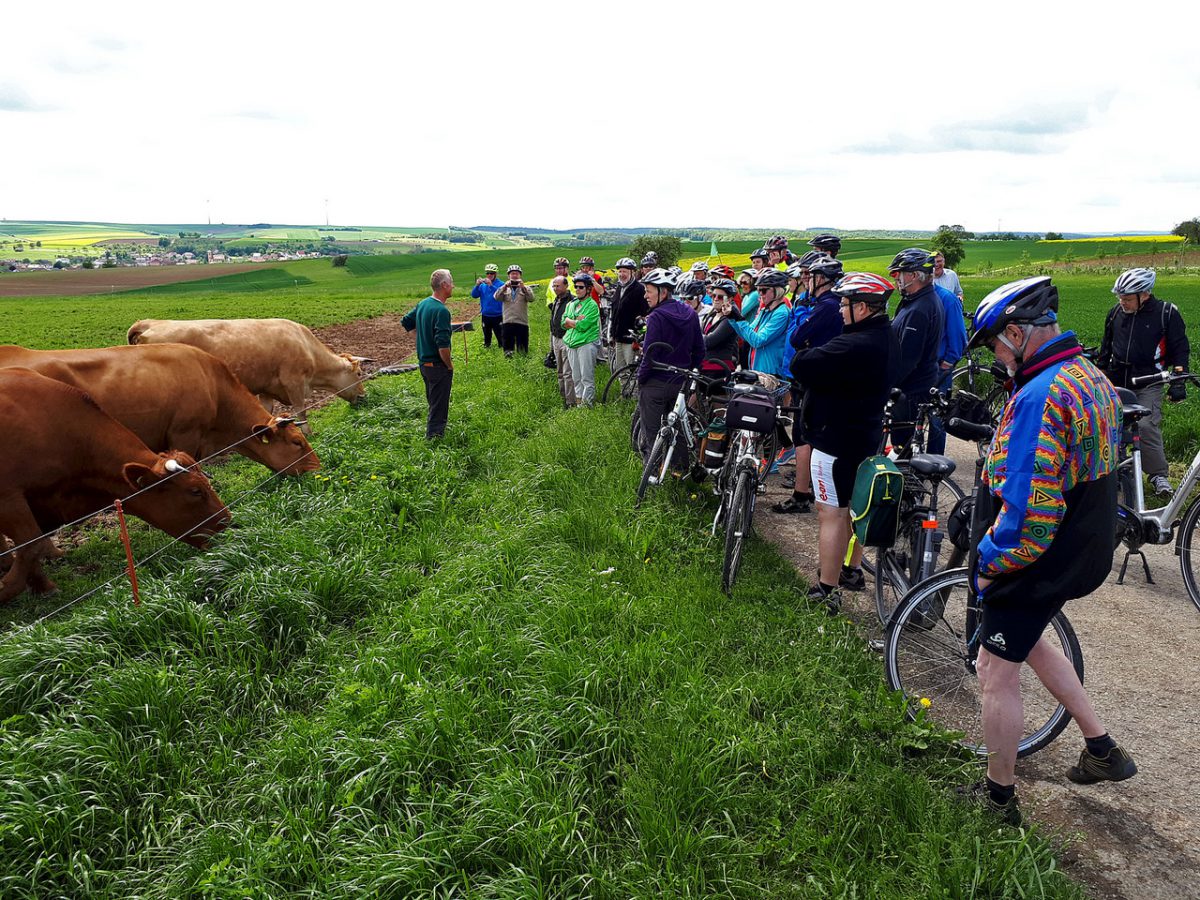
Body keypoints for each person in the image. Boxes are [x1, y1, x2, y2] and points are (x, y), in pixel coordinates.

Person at [963, 275, 1135, 826]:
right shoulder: (1090, 376)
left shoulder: (1039, 395)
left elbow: (1031, 518)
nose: (996, 356)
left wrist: (988, 565)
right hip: (1085, 544)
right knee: (1030, 638)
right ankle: (1102, 748)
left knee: (994, 668)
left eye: (994, 344)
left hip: (1040, 555)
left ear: (1016, 332)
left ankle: (999, 800)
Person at [789, 273, 899, 612]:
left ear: (863, 308)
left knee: (831, 514)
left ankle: (826, 588)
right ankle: (851, 571)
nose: (839, 309)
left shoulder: (851, 345)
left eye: (845, 303)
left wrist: (814, 352)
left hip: (834, 442)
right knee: (853, 509)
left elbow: (800, 363)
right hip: (865, 436)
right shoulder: (887, 337)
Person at [1097, 267, 1190, 496]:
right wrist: (1099, 373)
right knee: (1112, 425)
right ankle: (1117, 470)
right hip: (1117, 380)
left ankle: (1158, 475)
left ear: (1145, 294)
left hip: (1149, 380)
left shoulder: (1166, 313)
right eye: (1120, 297)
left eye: (1127, 298)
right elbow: (1106, 347)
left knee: (1147, 426)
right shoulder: (1115, 313)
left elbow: (1180, 348)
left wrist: (1179, 379)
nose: (1122, 302)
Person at [775, 255, 846, 518]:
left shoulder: (826, 306)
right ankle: (811, 489)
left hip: (816, 377)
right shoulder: (834, 304)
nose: (807, 281)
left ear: (822, 279)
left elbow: (797, 337)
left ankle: (802, 493)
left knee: (804, 434)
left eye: (811, 276)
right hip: (825, 376)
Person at [636, 268, 705, 459]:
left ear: (663, 292)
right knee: (678, 430)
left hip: (655, 382)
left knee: (651, 431)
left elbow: (649, 355)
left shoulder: (656, 317)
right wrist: (689, 372)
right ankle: (678, 472)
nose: (645, 296)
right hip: (680, 382)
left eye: (649, 291)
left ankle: (651, 472)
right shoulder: (690, 313)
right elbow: (700, 349)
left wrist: (641, 379)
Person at [887, 248, 945, 449]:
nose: (897, 279)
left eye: (899, 274)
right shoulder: (916, 300)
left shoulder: (920, 309)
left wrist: (885, 383)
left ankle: (905, 480)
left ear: (913, 275)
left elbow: (908, 358)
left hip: (910, 391)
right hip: (914, 386)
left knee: (901, 447)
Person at [401, 269, 455, 439]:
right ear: (444, 285)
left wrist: (421, 340)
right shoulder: (442, 311)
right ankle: (434, 441)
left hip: (424, 365)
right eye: (451, 282)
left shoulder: (423, 303)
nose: (453, 285)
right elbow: (443, 346)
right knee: (439, 407)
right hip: (437, 366)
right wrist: (449, 365)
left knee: (433, 402)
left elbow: (406, 321)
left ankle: (435, 434)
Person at [926, 278, 969, 455]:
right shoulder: (915, 297)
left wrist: (948, 361)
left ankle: (934, 461)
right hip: (922, 367)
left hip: (939, 366)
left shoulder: (947, 299)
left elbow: (958, 334)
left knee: (936, 418)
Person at [725, 269, 792, 379]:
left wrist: (739, 319)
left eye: (764, 290)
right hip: (759, 369)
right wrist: (732, 317)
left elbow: (757, 341)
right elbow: (746, 336)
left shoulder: (782, 313)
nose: (760, 294)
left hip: (771, 373)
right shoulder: (765, 311)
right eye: (758, 290)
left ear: (778, 291)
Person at [562, 272, 602, 406]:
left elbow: (583, 325)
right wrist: (574, 321)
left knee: (586, 378)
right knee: (576, 377)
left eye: (581, 287)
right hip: (571, 343)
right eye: (576, 287)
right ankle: (579, 403)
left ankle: (587, 405)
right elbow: (563, 322)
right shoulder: (571, 304)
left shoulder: (592, 305)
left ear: (588, 289)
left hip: (586, 343)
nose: (577, 290)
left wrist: (571, 321)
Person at [609, 257, 647, 372]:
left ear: (632, 272)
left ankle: (633, 390)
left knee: (632, 371)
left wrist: (638, 337)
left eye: (625, 271)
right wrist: (612, 334)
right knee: (620, 371)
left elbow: (645, 313)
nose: (621, 274)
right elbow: (614, 312)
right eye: (619, 271)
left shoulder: (640, 289)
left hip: (631, 339)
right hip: (618, 337)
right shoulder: (619, 288)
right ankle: (623, 390)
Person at [702, 278, 740, 377]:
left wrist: (691, 335)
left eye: (720, 297)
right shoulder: (712, 313)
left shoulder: (731, 317)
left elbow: (710, 341)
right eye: (713, 295)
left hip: (720, 369)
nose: (715, 299)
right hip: (704, 365)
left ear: (730, 299)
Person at [495, 264, 535, 356]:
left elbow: (531, 299)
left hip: (521, 322)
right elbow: (496, 297)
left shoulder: (525, 288)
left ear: (520, 275)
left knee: (522, 350)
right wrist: (504, 287)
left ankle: (522, 367)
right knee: (508, 350)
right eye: (512, 273)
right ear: (508, 276)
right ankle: (509, 366)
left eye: (516, 273)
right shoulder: (505, 289)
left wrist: (523, 288)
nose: (514, 276)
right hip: (508, 322)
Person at [548, 275, 576, 405]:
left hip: (566, 338)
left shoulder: (572, 301)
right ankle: (563, 398)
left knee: (567, 372)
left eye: (557, 286)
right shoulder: (556, 300)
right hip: (555, 338)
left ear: (566, 286)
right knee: (559, 370)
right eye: (554, 286)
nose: (555, 288)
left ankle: (570, 401)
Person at [471, 263, 505, 348]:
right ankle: (487, 347)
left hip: (498, 315)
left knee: (500, 336)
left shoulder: (501, 284)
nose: (489, 275)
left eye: (492, 273)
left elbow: (501, 295)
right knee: (487, 336)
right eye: (488, 273)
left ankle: (503, 350)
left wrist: (491, 286)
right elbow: (474, 295)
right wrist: (477, 285)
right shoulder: (482, 285)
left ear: (496, 274)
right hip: (486, 315)